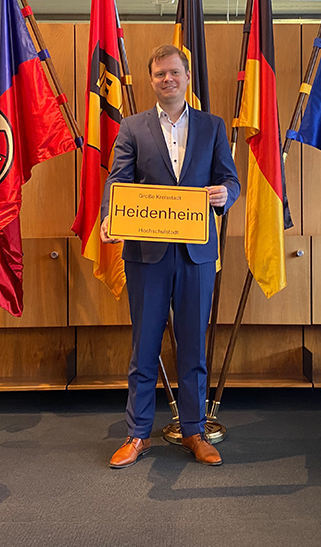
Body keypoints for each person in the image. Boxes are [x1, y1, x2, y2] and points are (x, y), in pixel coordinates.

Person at [100, 45, 240, 469]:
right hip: (146, 255)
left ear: (187, 76)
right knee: (144, 346)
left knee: (194, 349)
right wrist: (110, 217)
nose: (167, 79)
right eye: (159, 74)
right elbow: (118, 180)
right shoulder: (131, 128)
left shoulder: (213, 127)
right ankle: (137, 434)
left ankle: (194, 431)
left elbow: (230, 180)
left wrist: (224, 194)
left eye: (174, 72)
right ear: (152, 80)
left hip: (196, 256)